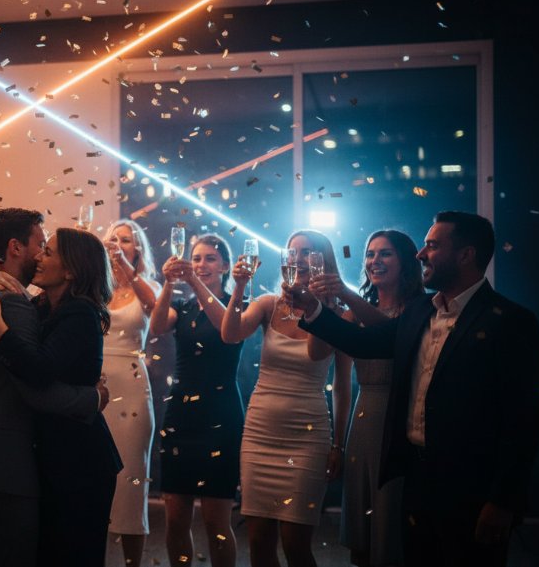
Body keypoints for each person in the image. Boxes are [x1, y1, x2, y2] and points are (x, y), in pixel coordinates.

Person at [292, 212, 539, 567]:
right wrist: (313, 309)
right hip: (415, 475)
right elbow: (363, 343)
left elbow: (524, 422)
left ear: (465, 255)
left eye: (432, 245)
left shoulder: (510, 321)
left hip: (470, 484)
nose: (420, 254)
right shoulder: (421, 311)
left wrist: (503, 501)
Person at [0, 208, 107, 567]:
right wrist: (92, 397)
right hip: (1, 456)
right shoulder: (13, 304)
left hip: (1, 453)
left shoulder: (6, 298)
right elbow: (36, 386)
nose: (41, 253)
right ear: (16, 247)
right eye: (41, 244)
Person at [221, 230, 352, 567]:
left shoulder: (338, 312)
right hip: (261, 432)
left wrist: (339, 444)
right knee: (259, 540)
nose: (299, 259)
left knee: (296, 543)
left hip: (307, 436)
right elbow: (230, 334)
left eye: (308, 252)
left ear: (323, 261)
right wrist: (238, 286)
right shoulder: (268, 304)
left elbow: (338, 381)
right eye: (292, 253)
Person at [310, 230, 423, 567]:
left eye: (385, 254)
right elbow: (341, 383)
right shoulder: (351, 315)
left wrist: (343, 291)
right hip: (363, 420)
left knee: (395, 527)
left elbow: (389, 333)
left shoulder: (421, 309)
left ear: (405, 261)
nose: (375, 261)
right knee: (362, 534)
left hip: (402, 416)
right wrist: (338, 444)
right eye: (371, 254)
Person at [149, 234, 244, 567]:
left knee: (216, 522)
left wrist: (191, 280)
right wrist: (167, 283)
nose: (201, 265)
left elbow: (225, 331)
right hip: (181, 412)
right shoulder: (183, 305)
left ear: (225, 266)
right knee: (175, 519)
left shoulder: (237, 305)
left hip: (220, 414)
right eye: (196, 258)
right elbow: (157, 327)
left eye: (210, 258)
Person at [101, 219, 161, 566]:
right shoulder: (94, 287)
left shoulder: (146, 285)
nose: (119, 244)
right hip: (95, 387)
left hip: (133, 383)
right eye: (113, 239)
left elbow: (156, 309)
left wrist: (126, 270)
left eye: (126, 240)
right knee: (93, 480)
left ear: (136, 249)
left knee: (131, 479)